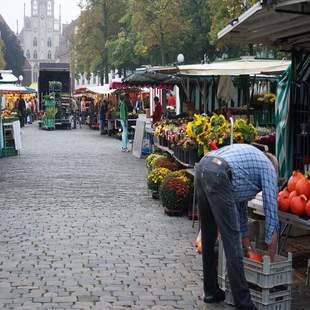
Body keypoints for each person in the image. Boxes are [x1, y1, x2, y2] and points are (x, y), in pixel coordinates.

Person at [195, 144, 278, 309]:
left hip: (203, 167)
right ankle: (244, 303)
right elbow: (271, 211)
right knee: (232, 243)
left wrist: (248, 248)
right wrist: (271, 259)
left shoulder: (247, 167)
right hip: (219, 173)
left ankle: (211, 292)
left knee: (208, 237)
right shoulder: (269, 167)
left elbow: (240, 216)